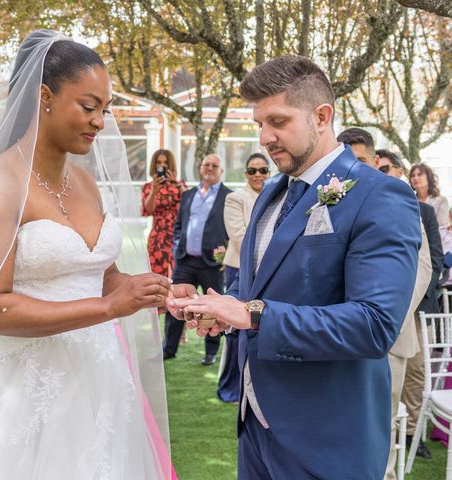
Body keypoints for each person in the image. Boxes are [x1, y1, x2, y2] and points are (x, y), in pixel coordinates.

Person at [0, 30, 174, 479]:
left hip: (99, 380)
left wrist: (155, 291)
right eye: (88, 106)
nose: (100, 121)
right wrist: (108, 307)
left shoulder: (84, 182)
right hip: (23, 394)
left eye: (105, 109)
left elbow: (102, 275)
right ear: (44, 96)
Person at [169, 55, 421, 479]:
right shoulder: (271, 193)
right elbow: (261, 291)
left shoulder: (382, 196)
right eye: (259, 124)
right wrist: (219, 309)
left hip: (327, 440)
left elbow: (375, 324)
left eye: (278, 121)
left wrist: (251, 315)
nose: (265, 137)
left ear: (322, 116)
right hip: (256, 430)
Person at [375, 148, 440, 474]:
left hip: (396, 328)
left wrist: (393, 314)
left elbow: (426, 264)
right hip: (338, 333)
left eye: (380, 166)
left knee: (386, 421)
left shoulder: (410, 208)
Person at [163, 153, 231, 365]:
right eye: (206, 164)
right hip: (185, 261)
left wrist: (226, 257)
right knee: (175, 304)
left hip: (213, 264)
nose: (209, 168)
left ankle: (210, 352)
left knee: (213, 308)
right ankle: (169, 348)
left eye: (214, 165)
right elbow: (179, 226)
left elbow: (235, 232)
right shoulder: (189, 194)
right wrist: (177, 247)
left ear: (221, 171)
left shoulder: (229, 196)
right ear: (200, 168)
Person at [217, 152, 270, 402]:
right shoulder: (235, 198)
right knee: (237, 327)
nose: (258, 175)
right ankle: (232, 386)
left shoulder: (279, 195)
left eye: (262, 170)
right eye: (252, 171)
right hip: (240, 269)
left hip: (270, 271)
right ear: (246, 174)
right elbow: (239, 236)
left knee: (261, 324)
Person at [141, 149, 188, 280]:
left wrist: (178, 186)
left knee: (180, 279)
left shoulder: (180, 185)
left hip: (178, 238)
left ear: (171, 164)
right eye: (159, 162)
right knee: (157, 279)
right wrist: (154, 191)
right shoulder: (148, 187)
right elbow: (149, 210)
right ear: (154, 165)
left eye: (166, 162)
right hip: (158, 238)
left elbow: (189, 206)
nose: (162, 165)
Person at [409, 163, 450, 236]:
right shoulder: (409, 203)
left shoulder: (441, 201)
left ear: (428, 177)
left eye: (419, 174)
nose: (415, 178)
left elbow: (441, 230)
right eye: (413, 176)